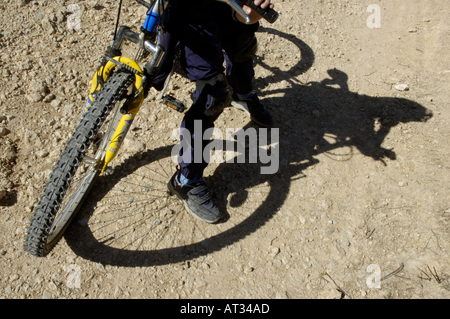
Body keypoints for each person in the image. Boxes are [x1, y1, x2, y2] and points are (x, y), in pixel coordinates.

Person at [154, 0, 275, 223]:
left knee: (242, 44)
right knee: (212, 94)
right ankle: (186, 179)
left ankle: (243, 94)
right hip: (194, 9)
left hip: (231, 3)